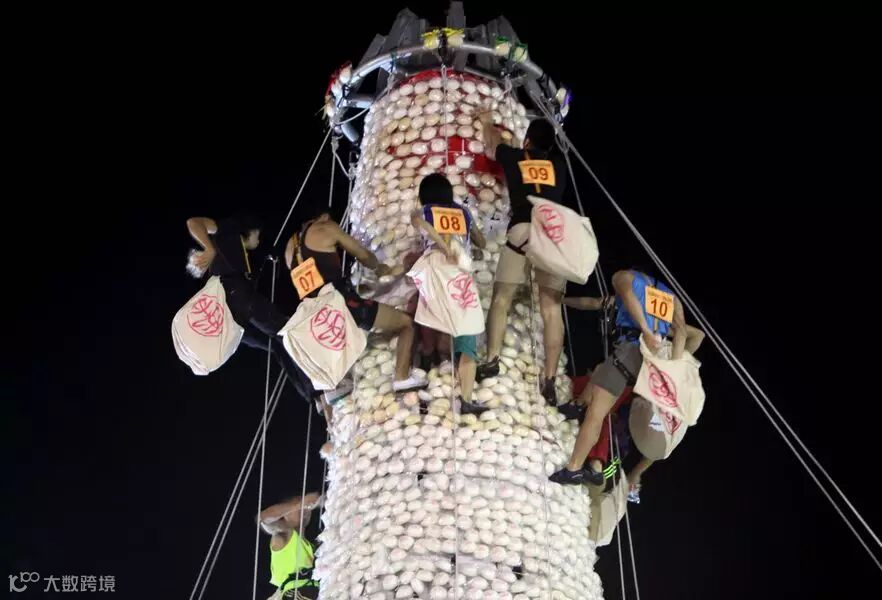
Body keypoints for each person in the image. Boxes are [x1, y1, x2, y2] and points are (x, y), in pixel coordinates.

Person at [550, 268, 687, 485]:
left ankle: (574, 468)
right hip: (648, 363)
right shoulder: (672, 297)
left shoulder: (624, 277)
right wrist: (672, 371)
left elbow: (617, 297)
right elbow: (682, 333)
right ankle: (577, 405)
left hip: (630, 351)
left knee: (596, 413)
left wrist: (645, 330)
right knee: (600, 372)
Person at [474, 115, 570, 405]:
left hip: (522, 232)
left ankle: (492, 359)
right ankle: (549, 378)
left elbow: (494, 145)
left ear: (527, 140)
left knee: (502, 298)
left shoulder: (516, 157)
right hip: (552, 237)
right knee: (551, 308)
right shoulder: (559, 165)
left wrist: (486, 123)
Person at [186, 214, 324, 402]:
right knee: (288, 332)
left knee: (279, 345)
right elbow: (193, 222)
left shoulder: (242, 257)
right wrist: (209, 249)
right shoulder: (228, 231)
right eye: (257, 235)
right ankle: (322, 378)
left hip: (234, 321)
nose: (258, 240)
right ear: (249, 231)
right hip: (240, 301)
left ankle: (314, 395)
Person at [284, 213, 427, 392]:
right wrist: (379, 268)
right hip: (344, 305)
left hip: (320, 317)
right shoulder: (325, 227)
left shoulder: (290, 248)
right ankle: (401, 378)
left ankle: (336, 391)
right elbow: (364, 255)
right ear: (323, 216)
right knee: (407, 324)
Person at [410, 174, 488, 414]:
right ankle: (466, 398)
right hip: (459, 273)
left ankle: (427, 363)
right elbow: (482, 242)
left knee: (429, 317)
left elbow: (421, 224)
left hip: (436, 270)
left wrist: (443, 247)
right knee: (466, 332)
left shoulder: (424, 211)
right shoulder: (462, 213)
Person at [259, 492, 322, 599]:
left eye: (307, 507)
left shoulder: (311, 547)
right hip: (294, 594)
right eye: (299, 505)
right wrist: (299, 505)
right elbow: (264, 519)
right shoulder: (283, 535)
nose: (305, 509)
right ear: (284, 515)